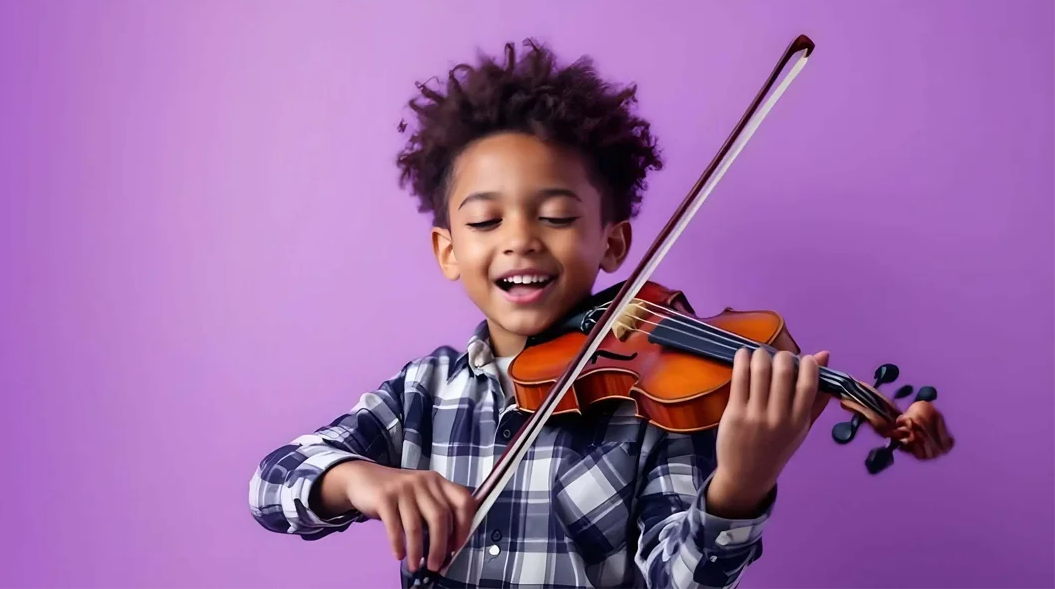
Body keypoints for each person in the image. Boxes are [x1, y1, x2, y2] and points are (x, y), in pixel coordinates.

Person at [246, 39, 833, 589]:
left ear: (613, 244)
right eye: (484, 221)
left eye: (555, 216)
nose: (520, 240)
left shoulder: (655, 410)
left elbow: (679, 579)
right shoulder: (422, 393)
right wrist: (361, 480)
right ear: (448, 251)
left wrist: (739, 487)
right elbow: (271, 485)